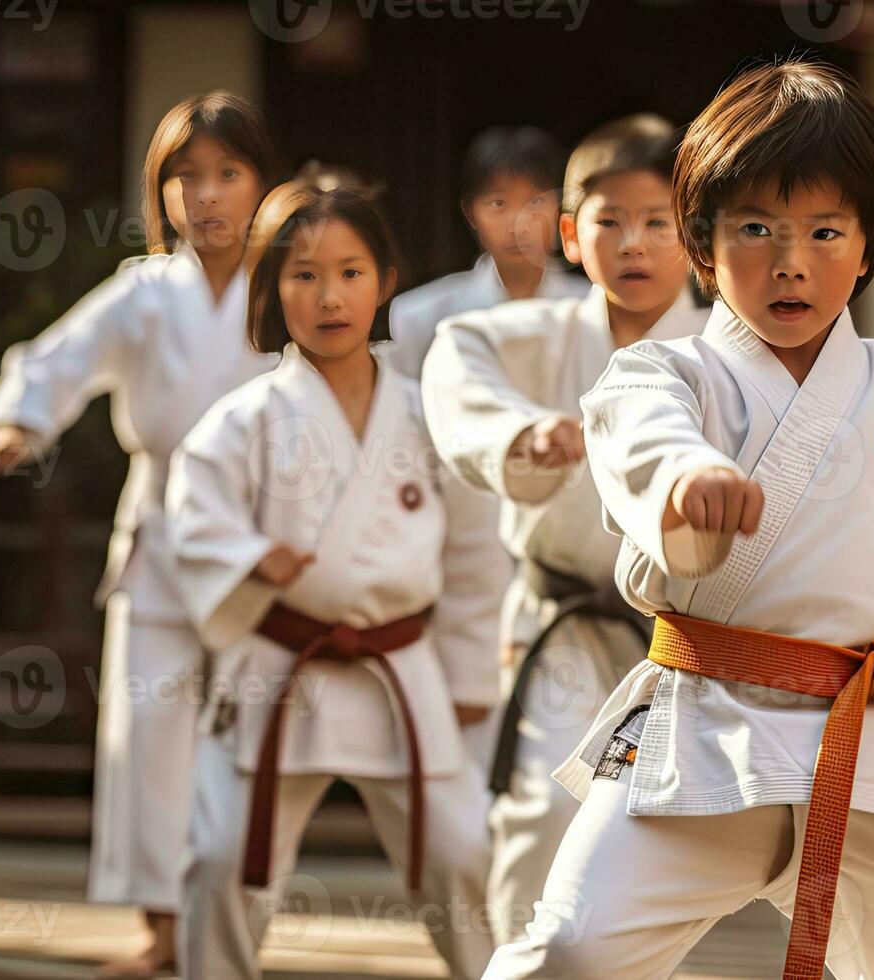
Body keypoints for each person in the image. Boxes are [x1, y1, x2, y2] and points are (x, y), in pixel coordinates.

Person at [482, 58, 874, 979]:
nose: (791, 261)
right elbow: (644, 442)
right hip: (704, 733)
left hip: (873, 751)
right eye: (756, 228)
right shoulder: (664, 377)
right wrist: (686, 481)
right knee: (569, 955)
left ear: (868, 247)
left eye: (825, 231)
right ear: (701, 246)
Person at [0, 92, 281, 979]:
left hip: (265, 542)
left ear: (265, 182)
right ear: (160, 192)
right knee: (149, 734)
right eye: (186, 178)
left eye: (229, 174)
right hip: (163, 532)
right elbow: (56, 358)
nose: (207, 196)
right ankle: (160, 928)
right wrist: (18, 423)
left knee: (255, 738)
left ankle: (232, 921)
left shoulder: (291, 281)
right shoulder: (143, 292)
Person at [168, 182, 507, 978]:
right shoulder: (243, 419)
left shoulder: (430, 415)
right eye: (303, 275)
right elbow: (193, 524)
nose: (329, 298)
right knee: (219, 859)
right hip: (278, 668)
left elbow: (474, 554)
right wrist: (251, 560)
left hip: (400, 669)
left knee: (462, 857)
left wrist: (466, 676)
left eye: (350, 273)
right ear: (271, 286)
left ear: (386, 280)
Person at [421, 112, 705, 945]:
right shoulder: (523, 336)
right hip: (565, 628)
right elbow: (453, 357)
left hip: (687, 641)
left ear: (693, 238)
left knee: (676, 837)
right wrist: (519, 436)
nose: (634, 243)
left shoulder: (731, 352)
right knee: (545, 812)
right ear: (570, 237)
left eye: (658, 222)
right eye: (608, 221)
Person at [388, 126, 587, 377]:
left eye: (535, 201)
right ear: (470, 213)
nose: (519, 225)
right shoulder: (417, 317)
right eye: (498, 203)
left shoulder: (595, 309)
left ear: (560, 207)